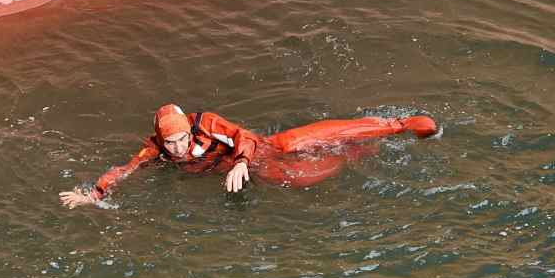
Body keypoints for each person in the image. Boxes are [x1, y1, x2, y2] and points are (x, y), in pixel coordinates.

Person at [59, 104, 437, 208]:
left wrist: (241, 161)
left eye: (180, 141)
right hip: (243, 166)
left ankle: (397, 125)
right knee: (302, 177)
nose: (175, 148)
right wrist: (94, 193)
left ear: (190, 132)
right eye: (168, 143)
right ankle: (354, 154)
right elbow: (124, 170)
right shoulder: (155, 150)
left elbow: (241, 136)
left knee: (307, 139)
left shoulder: (207, 123)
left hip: (256, 149)